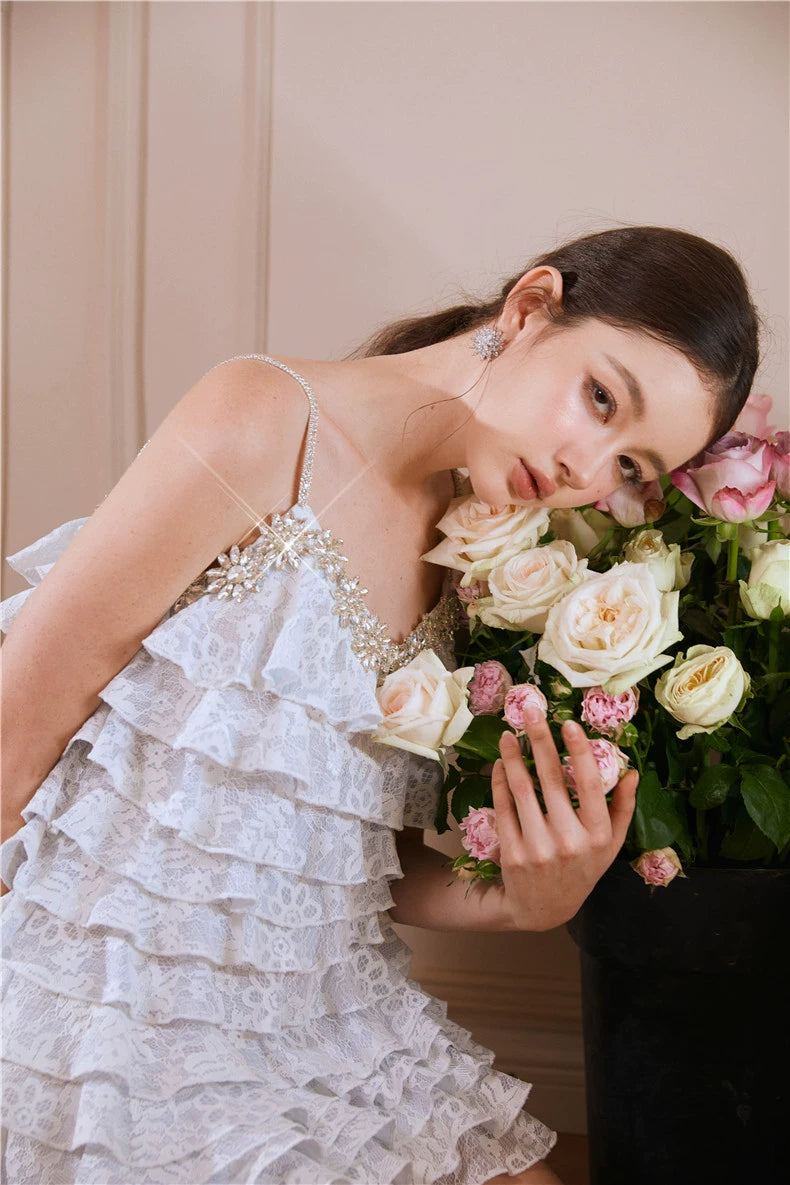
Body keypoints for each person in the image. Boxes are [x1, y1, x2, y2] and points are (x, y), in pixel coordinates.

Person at [0, 225, 759, 1184]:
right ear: (528, 308)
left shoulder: (478, 553)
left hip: (322, 1017)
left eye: (634, 468)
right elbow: (10, 740)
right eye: (601, 397)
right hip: (113, 1006)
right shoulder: (271, 417)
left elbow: (336, 866)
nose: (589, 470)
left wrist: (525, 902)